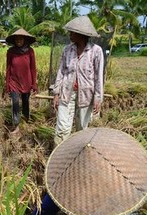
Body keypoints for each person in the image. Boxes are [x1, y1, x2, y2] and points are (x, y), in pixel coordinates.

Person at [27, 128, 147, 215]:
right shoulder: (66, 179)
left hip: (110, 195)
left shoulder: (118, 187)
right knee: (49, 205)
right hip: (73, 175)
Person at [51, 16, 104, 145]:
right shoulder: (67, 50)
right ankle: (59, 157)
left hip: (86, 95)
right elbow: (61, 72)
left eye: (72, 32)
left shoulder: (96, 51)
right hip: (67, 92)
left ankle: (79, 156)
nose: (70, 34)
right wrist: (56, 93)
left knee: (82, 129)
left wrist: (98, 98)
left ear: (81, 34)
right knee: (62, 129)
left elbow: (98, 77)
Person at [4, 28, 37, 133]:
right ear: (14, 41)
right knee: (15, 102)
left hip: (26, 81)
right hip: (14, 82)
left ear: (25, 40)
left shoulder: (30, 51)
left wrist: (34, 83)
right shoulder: (11, 52)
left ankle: (26, 119)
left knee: (26, 101)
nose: (19, 41)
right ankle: (16, 125)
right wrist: (7, 84)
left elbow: (33, 68)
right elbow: (8, 68)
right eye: (17, 40)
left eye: (21, 39)